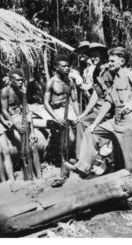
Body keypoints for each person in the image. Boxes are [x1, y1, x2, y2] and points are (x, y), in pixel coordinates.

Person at [66, 47, 132, 201]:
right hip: (116, 120)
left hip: (130, 122)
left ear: (122, 61)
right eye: (109, 60)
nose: (109, 63)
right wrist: (94, 123)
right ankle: (83, 168)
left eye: (113, 61)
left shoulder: (131, 74)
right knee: (91, 132)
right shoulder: (114, 77)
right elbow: (108, 102)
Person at [44, 55, 80, 185]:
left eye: (68, 66)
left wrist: (78, 115)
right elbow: (46, 103)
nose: (67, 68)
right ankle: (63, 160)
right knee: (68, 138)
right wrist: (56, 117)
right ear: (56, 68)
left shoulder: (70, 82)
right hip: (56, 112)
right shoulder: (51, 82)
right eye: (63, 66)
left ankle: (71, 159)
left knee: (74, 137)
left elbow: (74, 100)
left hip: (68, 110)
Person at [0, 68, 41, 178]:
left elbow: (27, 112)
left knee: (33, 144)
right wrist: (15, 125)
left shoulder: (22, 93)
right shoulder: (5, 92)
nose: (21, 82)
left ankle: (39, 175)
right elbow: (3, 111)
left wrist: (32, 131)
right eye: (18, 80)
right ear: (11, 80)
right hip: (11, 120)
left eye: (22, 80)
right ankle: (28, 172)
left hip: (21, 118)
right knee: (24, 144)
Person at [75, 42, 113, 158]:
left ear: (102, 55)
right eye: (91, 56)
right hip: (98, 110)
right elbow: (96, 94)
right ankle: (80, 158)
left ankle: (97, 156)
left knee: (94, 131)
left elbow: (112, 98)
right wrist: (84, 114)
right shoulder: (96, 71)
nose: (94, 58)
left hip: (109, 111)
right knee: (81, 123)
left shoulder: (109, 71)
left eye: (96, 55)